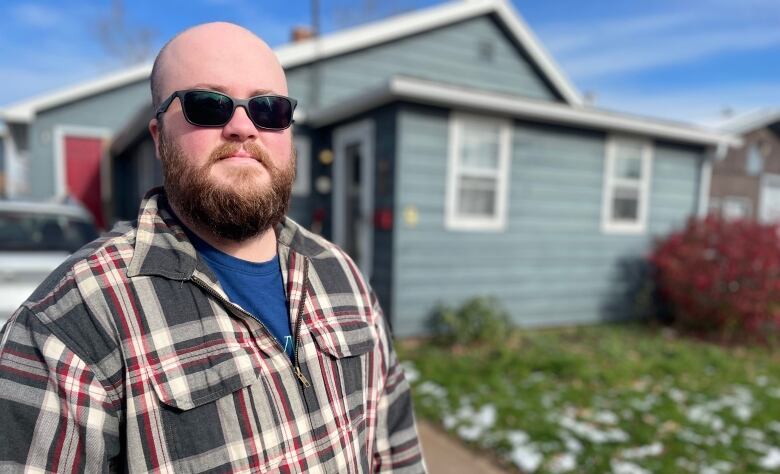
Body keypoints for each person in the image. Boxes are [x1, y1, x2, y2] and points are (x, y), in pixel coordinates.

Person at [0, 22, 425, 473]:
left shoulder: (343, 274)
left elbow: (396, 448)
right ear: (159, 138)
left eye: (269, 109)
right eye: (209, 105)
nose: (243, 127)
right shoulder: (73, 318)